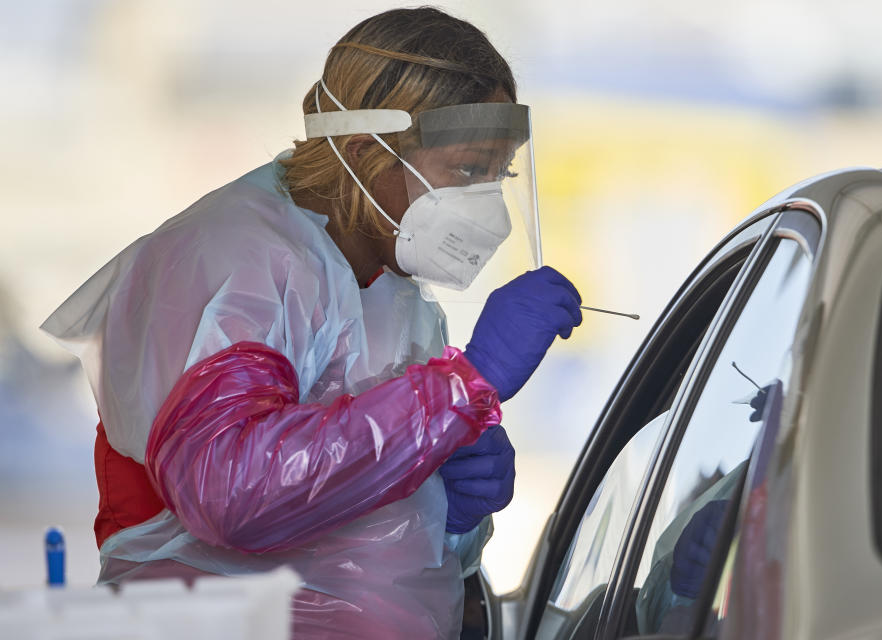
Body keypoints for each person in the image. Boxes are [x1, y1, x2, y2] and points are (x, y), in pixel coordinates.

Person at [41, 8, 582, 639]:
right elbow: (230, 496)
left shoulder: (392, 292)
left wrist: (447, 509)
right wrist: (459, 389)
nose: (488, 202)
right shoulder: (237, 260)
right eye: (467, 170)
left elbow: (367, 525)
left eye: (500, 173)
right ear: (363, 152)